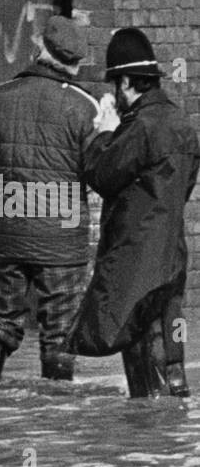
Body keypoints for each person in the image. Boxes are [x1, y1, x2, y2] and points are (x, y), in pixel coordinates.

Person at [65, 28, 199, 397]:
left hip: (135, 262)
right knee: (172, 355)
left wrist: (105, 133)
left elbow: (101, 176)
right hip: (171, 257)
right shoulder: (183, 126)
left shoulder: (138, 128)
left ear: (126, 82)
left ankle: (147, 440)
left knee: (143, 373)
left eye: (115, 86)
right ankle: (170, 443)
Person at [0, 15, 98, 386]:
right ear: (75, 62)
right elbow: (99, 173)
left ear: (41, 49)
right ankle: (54, 416)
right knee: (60, 330)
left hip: (8, 227)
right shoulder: (86, 107)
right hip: (63, 233)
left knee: (3, 318)